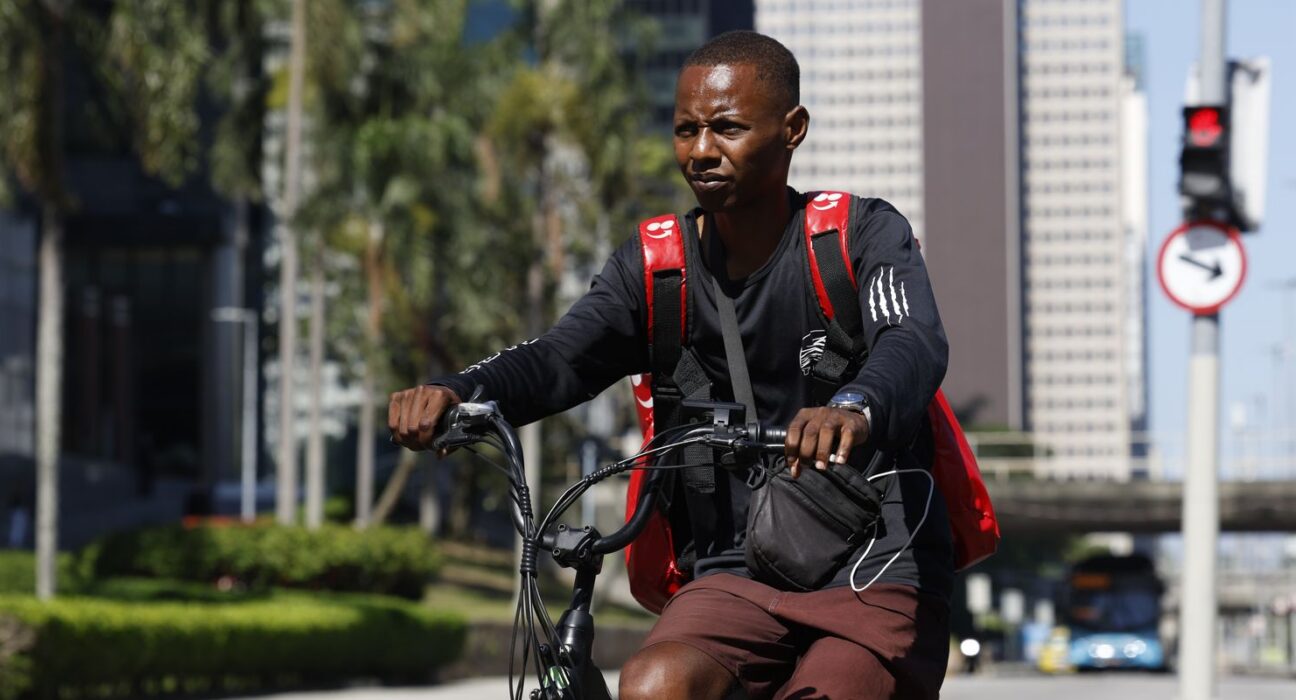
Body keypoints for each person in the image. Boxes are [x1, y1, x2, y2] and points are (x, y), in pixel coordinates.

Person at [390, 30, 952, 700]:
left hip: (870, 563)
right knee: (654, 683)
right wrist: (456, 393)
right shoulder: (658, 268)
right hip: (732, 570)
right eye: (687, 130)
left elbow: (913, 341)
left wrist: (854, 408)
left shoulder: (856, 235)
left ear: (792, 129)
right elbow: (559, 358)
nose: (702, 150)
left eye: (728, 127)